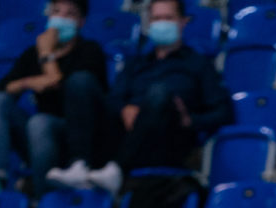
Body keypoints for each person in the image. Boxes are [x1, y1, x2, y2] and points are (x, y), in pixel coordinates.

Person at [84, 0, 232, 195]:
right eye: (156, 18)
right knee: (84, 87)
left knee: (159, 92)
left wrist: (190, 120)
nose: (161, 23)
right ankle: (80, 168)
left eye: (168, 18)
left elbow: (223, 112)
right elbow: (113, 99)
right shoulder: (135, 64)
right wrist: (125, 109)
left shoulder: (199, 65)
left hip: (169, 140)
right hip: (126, 133)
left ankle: (118, 168)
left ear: (183, 22)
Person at [0, 0, 110, 198]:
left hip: (82, 138)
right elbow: (3, 87)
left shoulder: (89, 50)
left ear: (81, 22)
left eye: (69, 14)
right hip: (41, 141)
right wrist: (28, 82)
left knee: (39, 122)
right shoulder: (31, 54)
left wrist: (46, 54)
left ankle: (42, 198)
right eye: (56, 12)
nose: (60, 19)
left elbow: (59, 82)